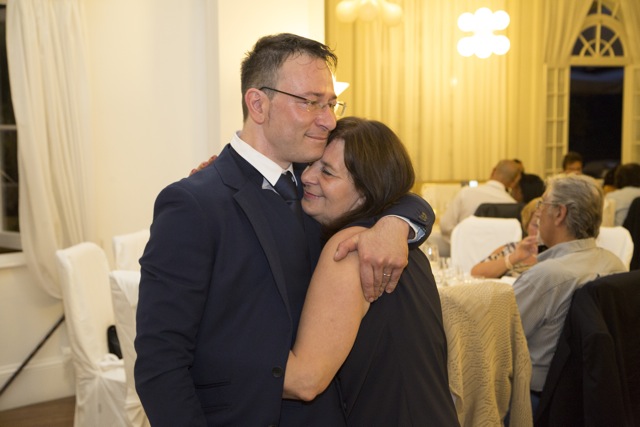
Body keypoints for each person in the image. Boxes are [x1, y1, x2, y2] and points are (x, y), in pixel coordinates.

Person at [134, 33, 433, 427]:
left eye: (330, 103)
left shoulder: (315, 184)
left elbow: (388, 192)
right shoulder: (195, 203)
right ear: (258, 104)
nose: (328, 120)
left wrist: (398, 223)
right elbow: (161, 360)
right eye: (310, 102)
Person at [282, 117, 459, 425]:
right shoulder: (397, 243)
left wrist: (208, 355)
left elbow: (306, 379)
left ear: (366, 193)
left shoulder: (352, 249)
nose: (307, 177)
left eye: (327, 172)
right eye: (309, 165)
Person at [511, 174, 626, 414]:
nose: (539, 212)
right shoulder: (615, 264)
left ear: (559, 213)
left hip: (540, 402)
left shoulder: (546, 276)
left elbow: (498, 338)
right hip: (593, 398)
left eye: (542, 204)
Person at [439, 159, 522, 241]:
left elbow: (445, 225)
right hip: (498, 249)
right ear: (514, 182)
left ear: (493, 171)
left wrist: (462, 242)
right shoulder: (512, 205)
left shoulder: (466, 193)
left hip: (463, 246)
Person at [470, 197, 543, 279]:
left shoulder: (554, 253)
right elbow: (475, 273)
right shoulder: (513, 248)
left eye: (545, 225)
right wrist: (514, 257)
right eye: (535, 225)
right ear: (526, 225)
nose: (540, 231)